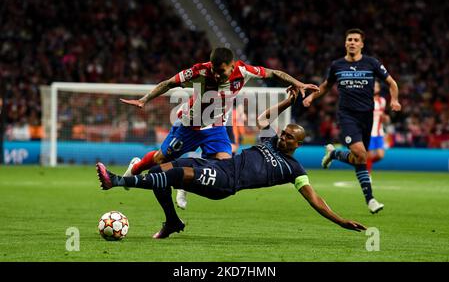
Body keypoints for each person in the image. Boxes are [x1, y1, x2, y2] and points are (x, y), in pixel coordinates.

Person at [96, 87, 367, 239]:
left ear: (298, 144)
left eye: (289, 138)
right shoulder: (270, 142)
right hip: (220, 167)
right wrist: (288, 101)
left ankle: (118, 181)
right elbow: (263, 120)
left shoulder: (294, 170)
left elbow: (315, 199)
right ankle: (172, 221)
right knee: (160, 170)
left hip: (226, 183)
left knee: (176, 173)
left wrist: (340, 221)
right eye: (283, 134)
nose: (283, 138)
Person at [120, 47, 320, 209]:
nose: (217, 75)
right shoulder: (199, 71)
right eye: (214, 70)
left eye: (222, 71)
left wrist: (299, 83)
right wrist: (144, 100)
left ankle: (185, 185)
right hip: (189, 125)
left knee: (223, 165)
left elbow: (274, 72)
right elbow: (169, 83)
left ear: (232, 66)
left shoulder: (243, 71)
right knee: (161, 159)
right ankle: (135, 166)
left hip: (215, 127)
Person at [302, 28, 401, 214]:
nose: (352, 42)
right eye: (349, 39)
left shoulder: (371, 63)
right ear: (345, 43)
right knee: (360, 153)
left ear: (362, 44)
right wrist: (311, 98)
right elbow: (325, 86)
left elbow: (392, 83)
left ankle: (335, 155)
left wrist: (394, 100)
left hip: (367, 117)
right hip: (347, 116)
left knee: (359, 158)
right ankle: (371, 199)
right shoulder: (337, 65)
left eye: (356, 40)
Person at [367, 80, 390, 173]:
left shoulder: (382, 101)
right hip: (369, 133)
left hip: (379, 133)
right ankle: (367, 175)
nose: (374, 87)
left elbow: (383, 116)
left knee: (380, 155)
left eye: (376, 86)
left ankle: (363, 165)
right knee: (369, 155)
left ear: (379, 89)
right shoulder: (367, 101)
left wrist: (385, 118)